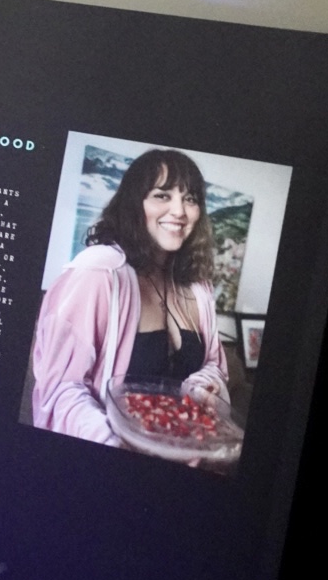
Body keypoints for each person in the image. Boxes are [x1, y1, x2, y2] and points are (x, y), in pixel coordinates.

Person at [32, 148, 229, 445]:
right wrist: (113, 444)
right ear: (134, 204)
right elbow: (60, 389)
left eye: (190, 199)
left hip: (185, 454)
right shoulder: (99, 272)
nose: (179, 211)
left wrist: (203, 387)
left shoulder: (199, 287)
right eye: (162, 195)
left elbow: (214, 364)